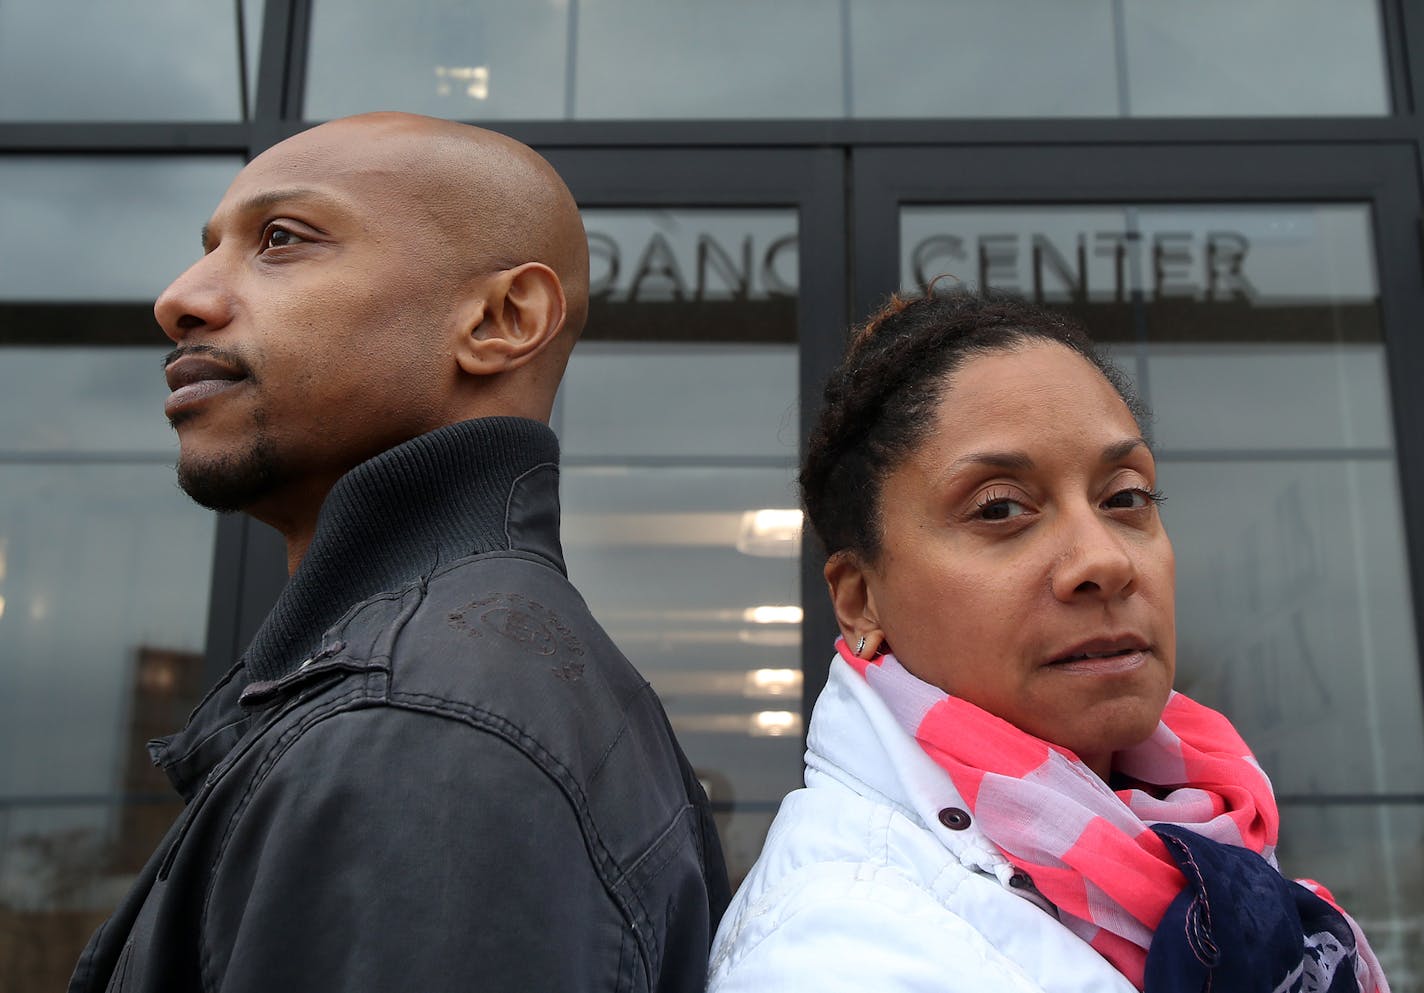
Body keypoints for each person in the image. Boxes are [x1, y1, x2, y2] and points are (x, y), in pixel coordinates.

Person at [69, 112, 729, 993]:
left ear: (501, 318)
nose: (180, 297)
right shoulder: (437, 687)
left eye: (280, 239)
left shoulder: (427, 730)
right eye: (209, 247)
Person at [707, 291, 1389, 992]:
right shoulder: (837, 953)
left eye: (1125, 497)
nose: (1105, 561)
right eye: (1000, 508)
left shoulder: (1212, 840)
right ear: (860, 599)